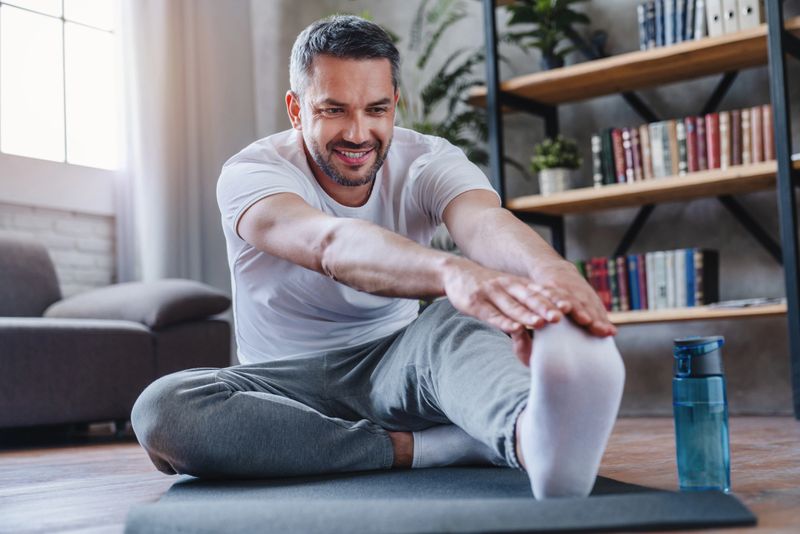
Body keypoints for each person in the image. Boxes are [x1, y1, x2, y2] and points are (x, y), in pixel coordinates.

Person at [131, 14, 625, 500]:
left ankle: (529, 434)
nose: (358, 133)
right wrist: (451, 272)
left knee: (459, 319)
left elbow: (481, 222)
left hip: (400, 368)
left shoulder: (428, 160)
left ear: (395, 106)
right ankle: (432, 448)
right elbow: (331, 246)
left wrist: (553, 273)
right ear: (296, 109)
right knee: (163, 410)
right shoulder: (252, 173)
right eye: (333, 110)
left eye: (376, 109)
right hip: (282, 389)